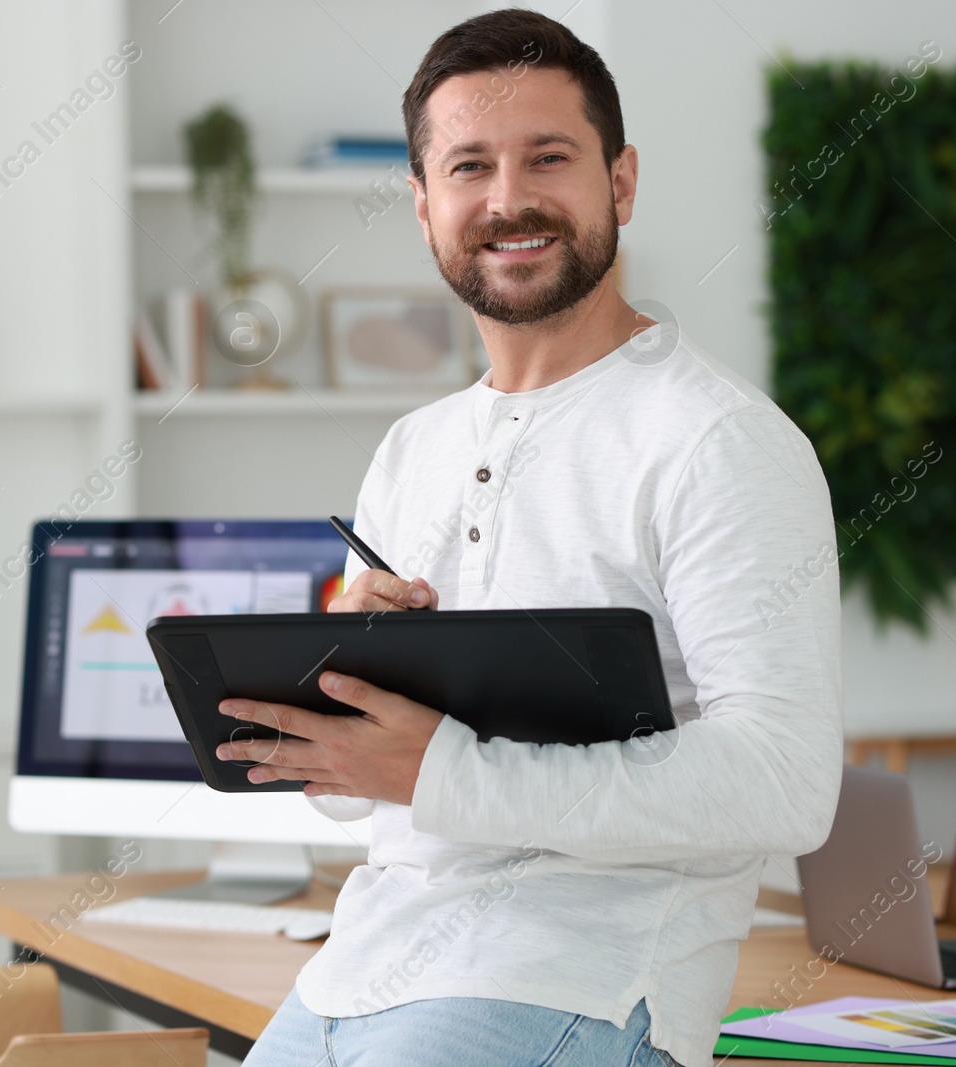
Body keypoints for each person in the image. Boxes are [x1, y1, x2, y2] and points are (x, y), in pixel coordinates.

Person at [222, 9, 842, 1065]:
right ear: (423, 207)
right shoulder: (411, 446)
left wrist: (440, 767)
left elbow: (786, 782)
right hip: (356, 965)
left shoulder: (720, 442)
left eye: (547, 157)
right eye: (469, 166)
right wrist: (341, 695)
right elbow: (374, 798)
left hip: (576, 978)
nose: (508, 198)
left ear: (621, 182)